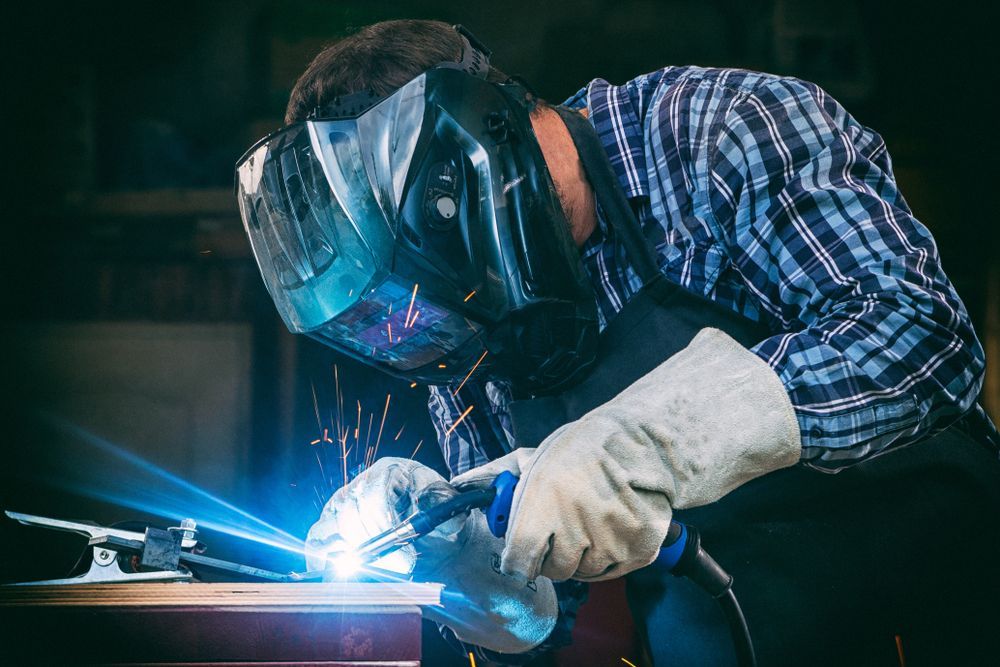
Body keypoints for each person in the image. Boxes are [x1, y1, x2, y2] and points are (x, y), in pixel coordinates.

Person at [235, 19, 1000, 665]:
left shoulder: (719, 132)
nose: (458, 333)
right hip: (733, 636)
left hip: (939, 604)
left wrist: (652, 443)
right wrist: (464, 560)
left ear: (472, 156)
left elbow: (922, 334)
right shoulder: (463, 328)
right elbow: (540, 617)